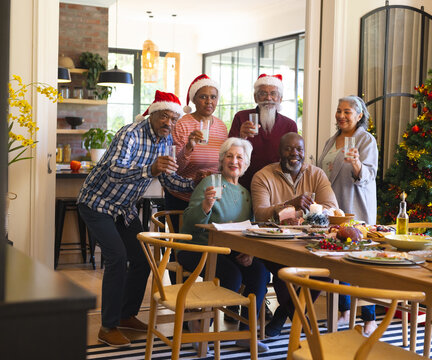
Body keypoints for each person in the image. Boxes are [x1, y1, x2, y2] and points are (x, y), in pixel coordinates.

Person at [77, 91, 199, 348]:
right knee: (117, 257)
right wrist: (149, 169)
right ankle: (107, 326)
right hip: (96, 203)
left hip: (123, 208)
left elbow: (168, 179)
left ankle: (125, 314)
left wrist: (195, 185)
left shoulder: (166, 141)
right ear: (152, 114)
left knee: (143, 260)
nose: (168, 122)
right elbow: (114, 170)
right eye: (164, 116)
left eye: (173, 118)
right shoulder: (130, 133)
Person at [178, 137, 271, 353]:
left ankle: (247, 333)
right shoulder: (211, 183)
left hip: (229, 251)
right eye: (229, 156)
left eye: (240, 157)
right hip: (199, 249)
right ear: (222, 160)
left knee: (259, 272)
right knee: (232, 276)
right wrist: (205, 205)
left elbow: (249, 228)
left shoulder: (246, 194)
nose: (234, 161)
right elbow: (190, 220)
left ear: (246, 164)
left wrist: (249, 252)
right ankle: (202, 328)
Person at [250, 132, 338, 337]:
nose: (294, 154)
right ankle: (302, 321)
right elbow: (260, 212)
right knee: (283, 269)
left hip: (308, 242)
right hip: (271, 242)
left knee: (326, 268)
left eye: (299, 149)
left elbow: (332, 207)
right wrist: (290, 204)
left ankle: (284, 313)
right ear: (279, 152)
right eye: (288, 149)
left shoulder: (316, 174)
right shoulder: (263, 176)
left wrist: (295, 213)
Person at [318, 95, 379, 335]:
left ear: (359, 115)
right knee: (338, 260)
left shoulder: (366, 140)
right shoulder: (331, 140)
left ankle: (369, 318)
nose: (341, 116)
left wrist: (356, 165)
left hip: (356, 206)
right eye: (338, 111)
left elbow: (369, 175)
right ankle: (344, 311)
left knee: (363, 264)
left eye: (347, 112)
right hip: (332, 208)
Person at [164, 74, 227, 235]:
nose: (209, 101)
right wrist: (189, 147)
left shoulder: (221, 126)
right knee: (182, 246)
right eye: (203, 97)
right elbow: (174, 169)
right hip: (183, 197)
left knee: (209, 242)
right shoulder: (182, 124)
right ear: (194, 99)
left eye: (213, 97)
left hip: (211, 195)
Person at [229, 74, 297, 191]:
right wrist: (240, 137)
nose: (268, 98)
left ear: (280, 99)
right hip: (243, 184)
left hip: (276, 185)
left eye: (273, 93)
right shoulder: (241, 117)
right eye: (263, 93)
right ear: (255, 97)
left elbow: (294, 158)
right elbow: (228, 152)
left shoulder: (289, 125)